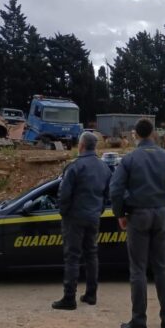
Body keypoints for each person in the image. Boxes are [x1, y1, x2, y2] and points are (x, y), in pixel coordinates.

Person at [110, 118, 165, 328]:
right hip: (161, 214)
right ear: (153, 135)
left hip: (138, 217)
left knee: (138, 269)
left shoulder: (129, 160)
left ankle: (139, 321)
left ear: (136, 134)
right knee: (162, 268)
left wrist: (120, 214)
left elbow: (115, 190)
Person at [52, 132, 112, 310]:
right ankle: (91, 295)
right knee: (91, 255)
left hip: (75, 218)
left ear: (82, 145)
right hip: (93, 217)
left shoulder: (75, 167)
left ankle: (69, 298)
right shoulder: (104, 168)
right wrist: (98, 210)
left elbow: (64, 194)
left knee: (72, 257)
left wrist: (64, 213)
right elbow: (107, 195)